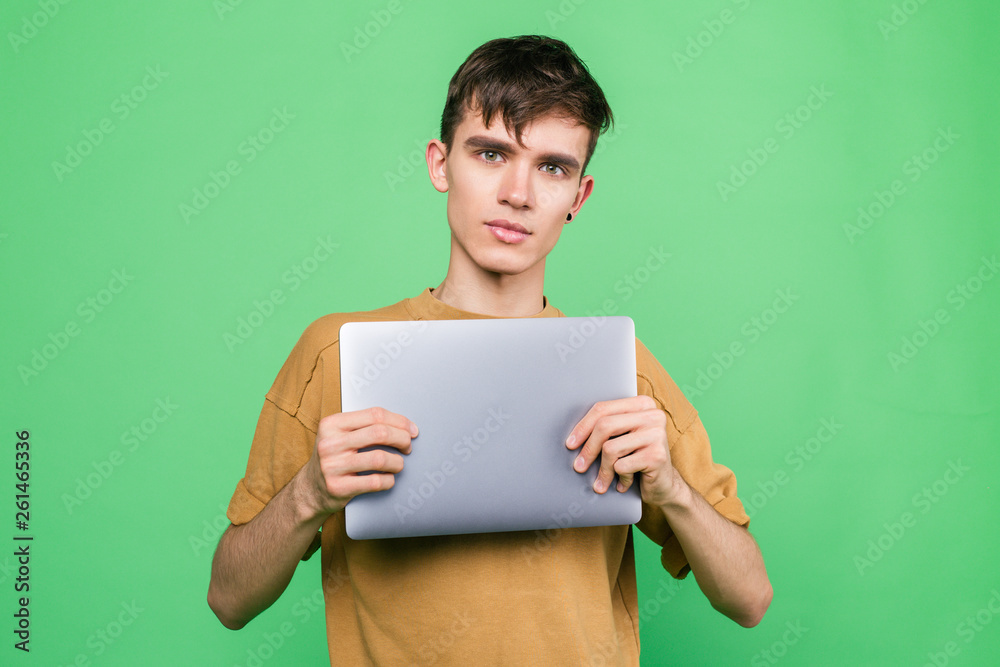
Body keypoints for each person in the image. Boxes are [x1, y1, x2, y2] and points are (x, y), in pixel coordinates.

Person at [207, 35, 772, 665]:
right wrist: (309, 492)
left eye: (552, 167)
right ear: (440, 164)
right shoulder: (333, 352)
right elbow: (230, 600)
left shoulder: (618, 368)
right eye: (491, 153)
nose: (518, 193)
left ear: (578, 198)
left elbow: (749, 598)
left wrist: (670, 488)